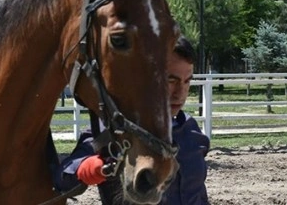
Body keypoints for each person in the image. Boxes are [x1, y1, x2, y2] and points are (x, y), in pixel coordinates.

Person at [60, 36, 210, 205]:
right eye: (171, 80)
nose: (180, 92)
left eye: (187, 81)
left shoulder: (191, 130)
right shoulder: (116, 129)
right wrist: (88, 167)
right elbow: (64, 176)